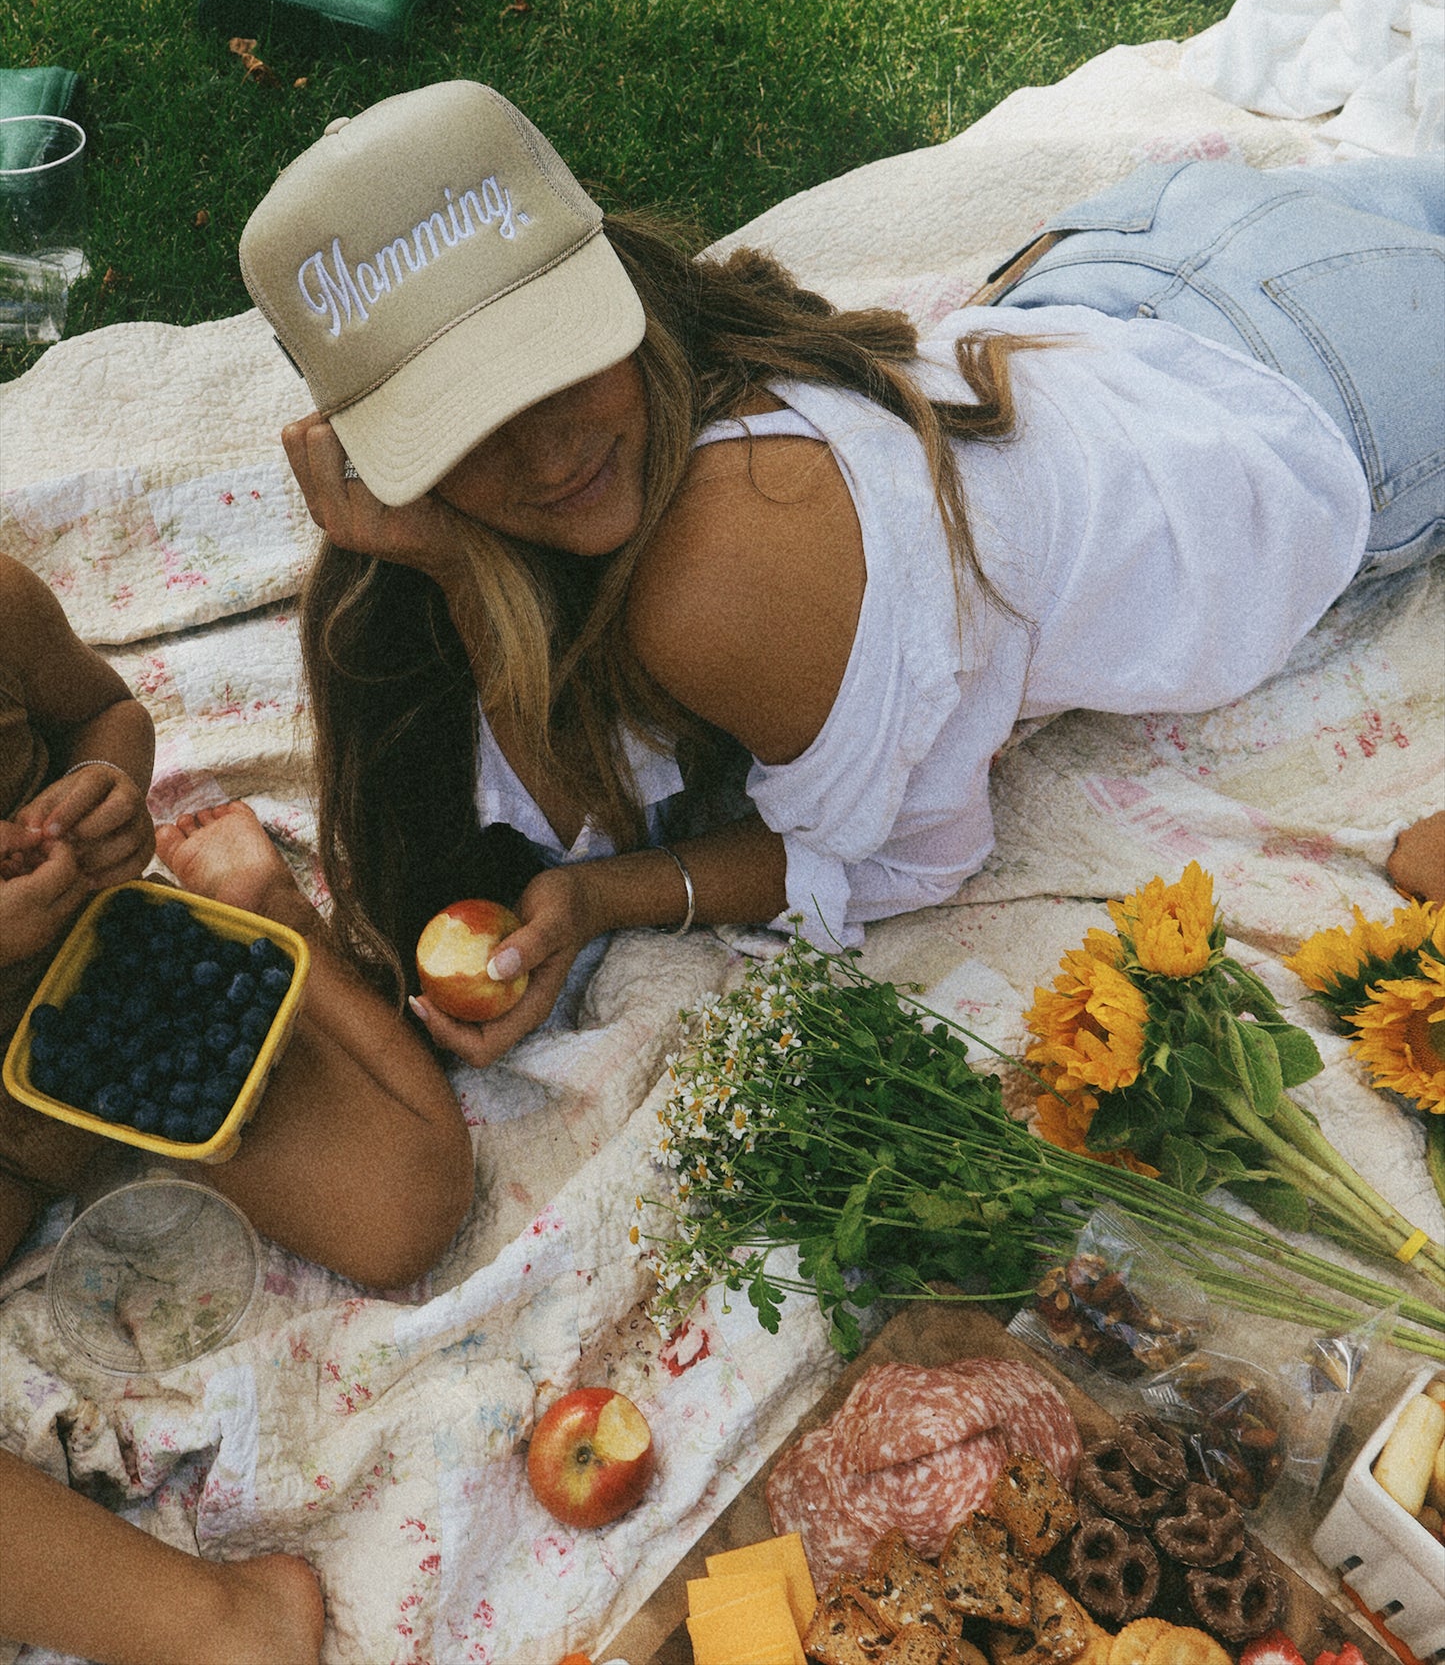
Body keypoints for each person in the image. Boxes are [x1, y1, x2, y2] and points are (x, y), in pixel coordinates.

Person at [194, 80, 1441, 1076]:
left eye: (552, 362)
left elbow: (901, 858)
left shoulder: (724, 575)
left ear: (612, 291)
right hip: (1141, 272)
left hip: (1337, 395)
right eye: (462, 422)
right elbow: (541, 789)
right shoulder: (665, 381)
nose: (544, 446)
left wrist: (602, 890)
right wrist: (446, 560)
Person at [0, 554, 331, 1664]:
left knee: (401, 1208)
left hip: (98, 994)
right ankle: (219, 1626)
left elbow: (101, 709)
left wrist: (101, 787)